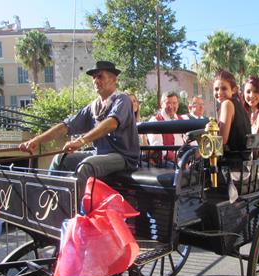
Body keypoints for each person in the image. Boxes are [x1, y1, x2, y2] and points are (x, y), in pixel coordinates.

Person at [19, 61, 140, 198]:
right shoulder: (93, 107)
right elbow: (65, 126)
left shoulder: (122, 99)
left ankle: (77, 214)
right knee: (59, 159)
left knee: (86, 166)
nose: (95, 80)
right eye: (93, 77)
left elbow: (111, 123)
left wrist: (81, 141)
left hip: (123, 156)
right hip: (99, 153)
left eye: (100, 76)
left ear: (113, 79)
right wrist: (36, 140)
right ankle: (49, 201)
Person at [213, 70, 251, 160]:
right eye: (216, 89)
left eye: (224, 88)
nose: (219, 92)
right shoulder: (238, 106)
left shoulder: (227, 104)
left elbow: (222, 140)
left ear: (234, 90)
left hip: (231, 165)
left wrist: (199, 152)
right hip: (242, 163)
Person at [147, 91, 184, 164]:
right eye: (168, 103)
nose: (171, 106)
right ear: (161, 104)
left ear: (178, 105)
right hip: (165, 162)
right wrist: (178, 160)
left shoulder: (182, 120)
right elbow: (158, 148)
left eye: (174, 103)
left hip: (183, 159)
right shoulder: (155, 121)